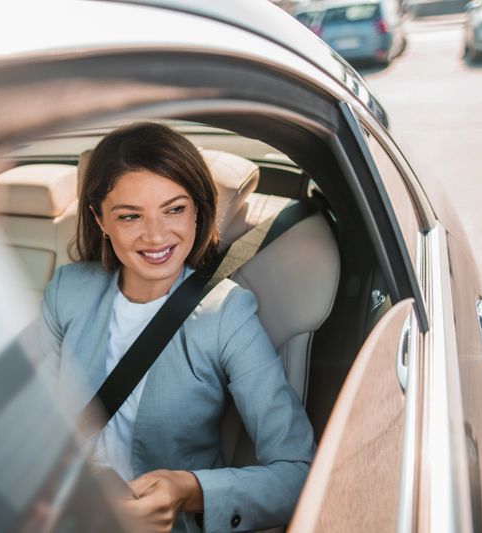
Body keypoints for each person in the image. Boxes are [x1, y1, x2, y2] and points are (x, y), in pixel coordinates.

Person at [38, 122, 315, 532]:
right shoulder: (68, 289)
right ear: (100, 220)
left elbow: (298, 471)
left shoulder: (226, 314)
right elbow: (28, 420)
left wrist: (188, 490)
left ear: (198, 209)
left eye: (174, 209)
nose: (155, 235)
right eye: (130, 216)